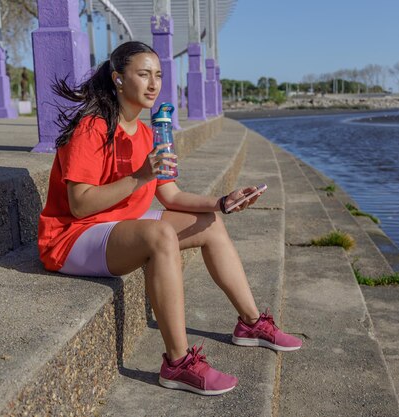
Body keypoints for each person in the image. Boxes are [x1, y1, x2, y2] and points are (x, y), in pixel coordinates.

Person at [37, 41, 301, 396]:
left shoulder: (148, 134)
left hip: (118, 223)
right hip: (72, 236)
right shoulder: (92, 128)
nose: (153, 83)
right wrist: (141, 176)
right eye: (143, 74)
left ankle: (251, 324)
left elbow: (171, 195)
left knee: (208, 222)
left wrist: (222, 201)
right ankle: (177, 363)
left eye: (158, 75)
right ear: (117, 79)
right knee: (160, 235)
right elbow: (80, 205)